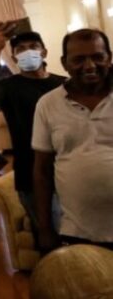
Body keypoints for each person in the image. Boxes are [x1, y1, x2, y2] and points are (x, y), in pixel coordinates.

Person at [0, 23, 66, 232]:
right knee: (48, 233)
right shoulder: (9, 86)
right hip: (30, 172)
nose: (28, 52)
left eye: (33, 46)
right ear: (14, 58)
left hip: (67, 168)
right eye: (21, 49)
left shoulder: (63, 84)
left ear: (44, 51)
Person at [33, 28, 113, 252]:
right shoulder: (47, 105)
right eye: (79, 59)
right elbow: (42, 172)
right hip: (78, 232)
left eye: (97, 57)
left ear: (109, 58)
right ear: (64, 63)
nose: (89, 66)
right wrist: (45, 228)